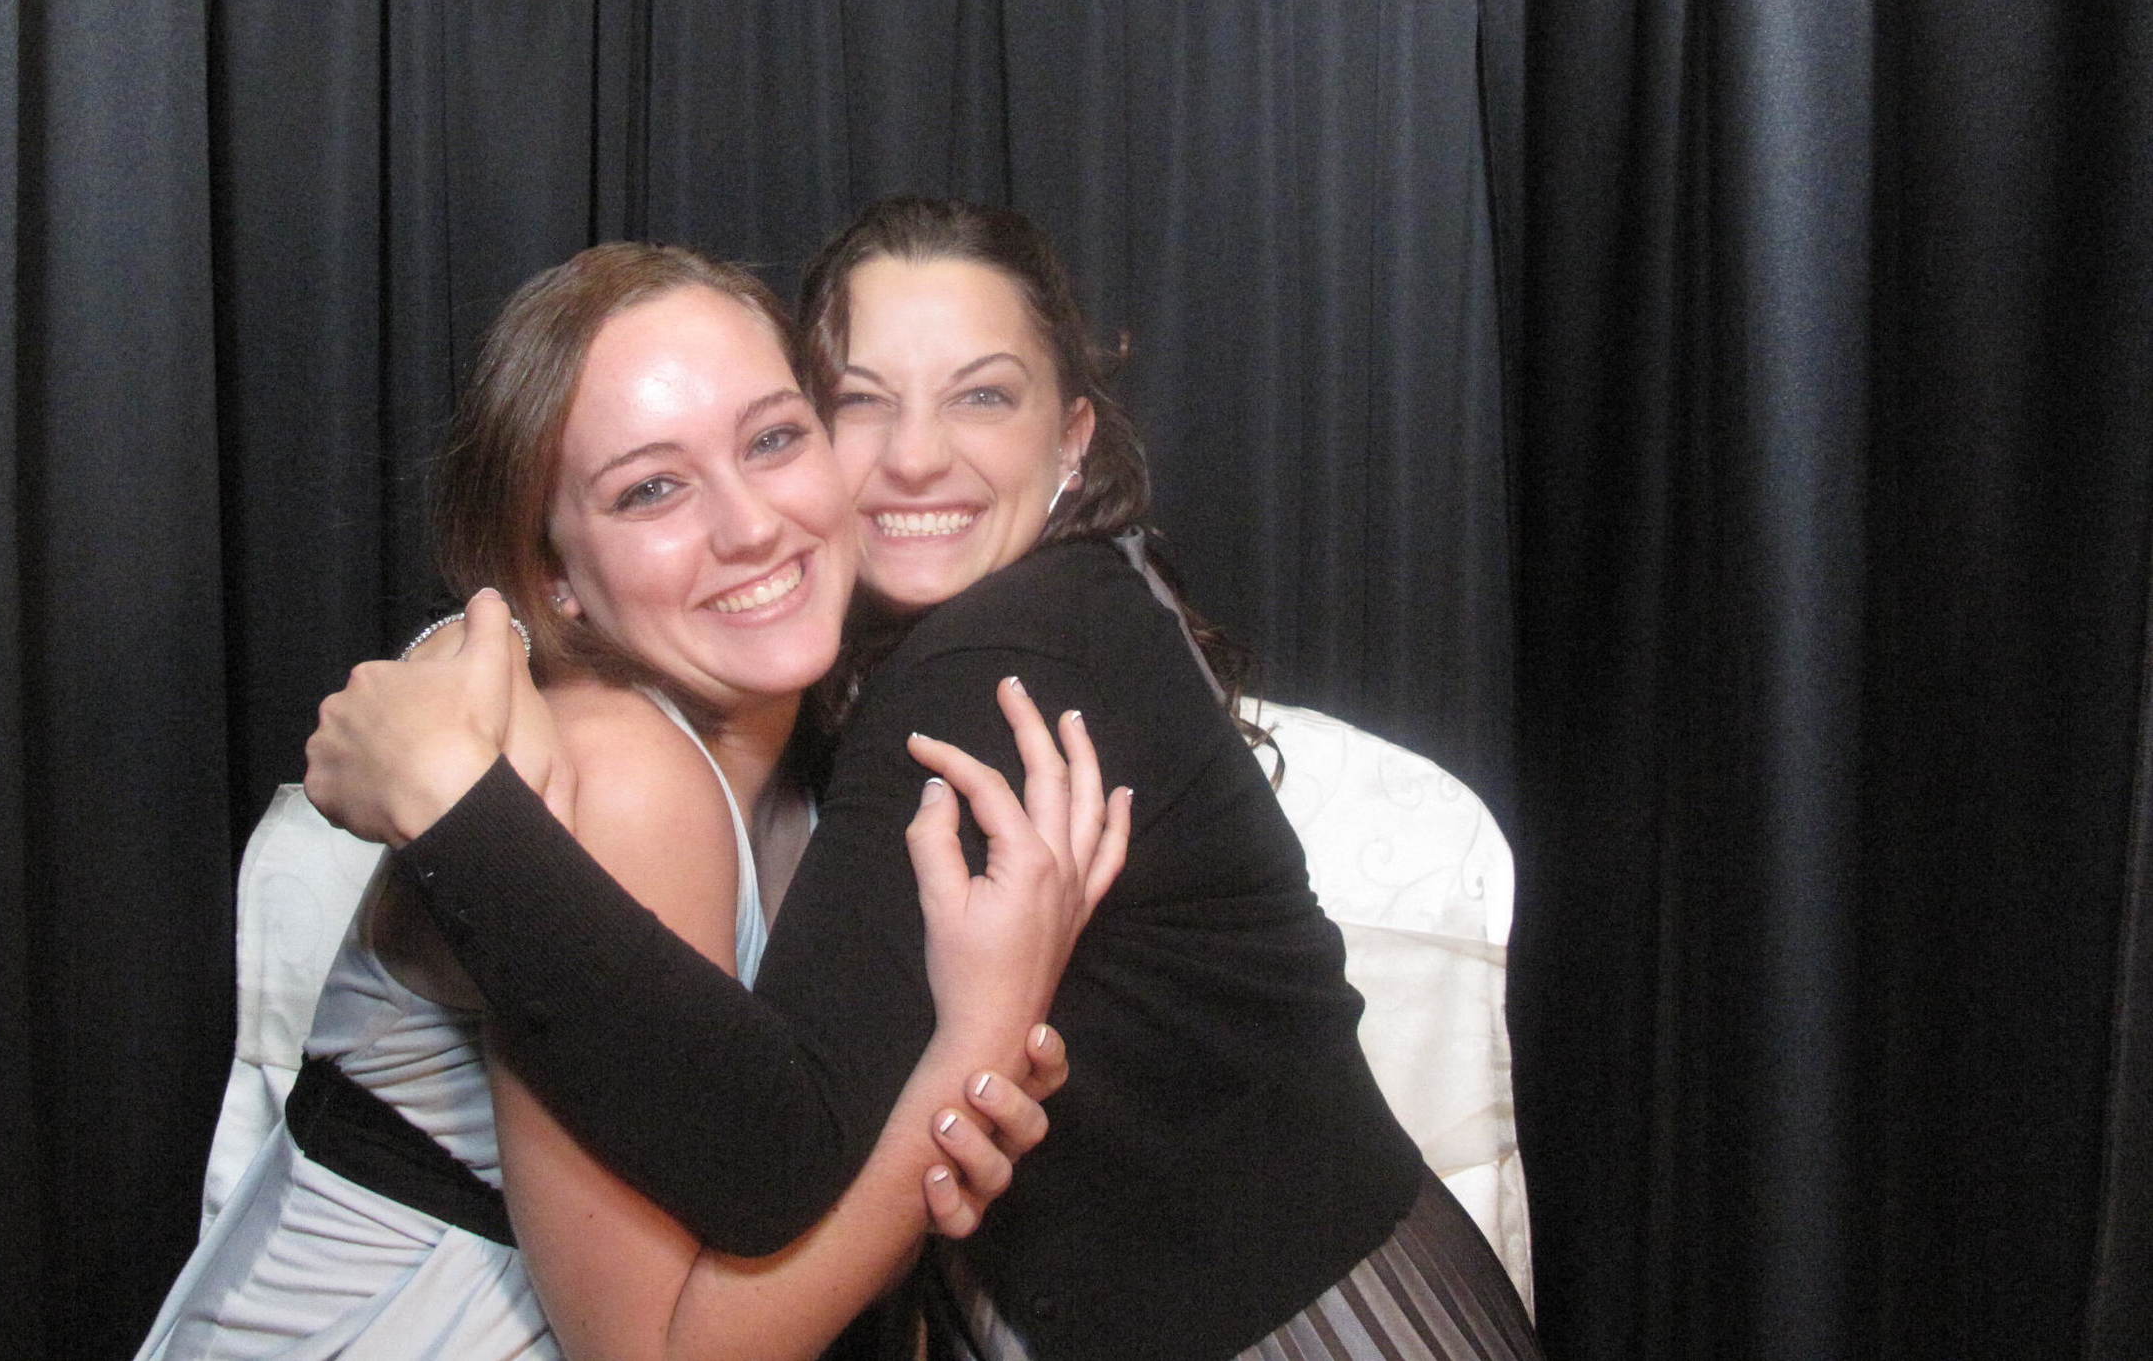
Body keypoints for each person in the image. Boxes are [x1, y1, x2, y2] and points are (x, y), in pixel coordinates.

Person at [311, 199, 1542, 1361]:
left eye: (982, 399)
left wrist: (452, 805)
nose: (913, 460)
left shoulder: (999, 659)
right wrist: (477, 654)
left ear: (1071, 439)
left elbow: (774, 1164)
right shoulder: (893, 655)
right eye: (856, 404)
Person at [140, 242, 1124, 1361]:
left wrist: (936, 1123)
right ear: (553, 572)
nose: (749, 525)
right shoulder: (620, 772)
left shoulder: (818, 772)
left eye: (773, 439)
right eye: (651, 488)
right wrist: (977, 1043)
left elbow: (788, 1205)